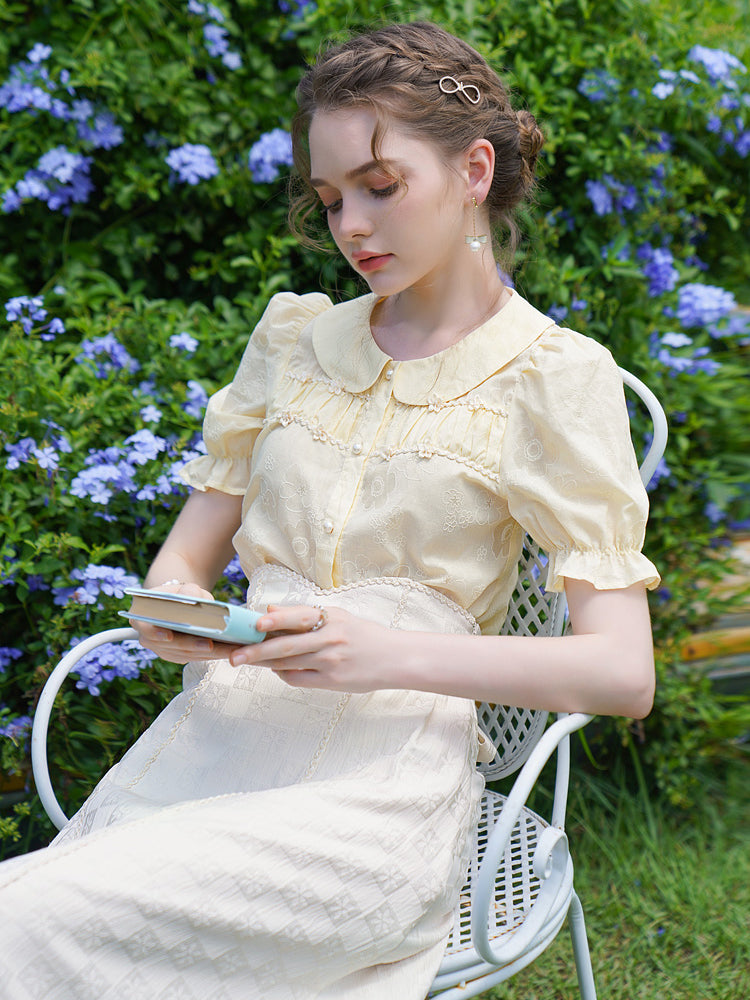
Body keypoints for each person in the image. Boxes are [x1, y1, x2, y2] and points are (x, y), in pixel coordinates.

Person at [0, 20, 660, 1000]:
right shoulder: (294, 341)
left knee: (26, 918)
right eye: (331, 197)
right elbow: (173, 578)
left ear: (475, 170)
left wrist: (384, 653)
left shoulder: (552, 378)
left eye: (380, 186)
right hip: (215, 753)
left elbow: (622, 672)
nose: (351, 224)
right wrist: (188, 620)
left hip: (380, 799)